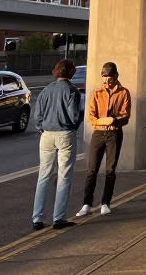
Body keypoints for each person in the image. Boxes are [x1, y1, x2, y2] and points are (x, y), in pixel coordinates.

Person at [32, 59, 83, 231]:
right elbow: (74, 116)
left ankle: (37, 218)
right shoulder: (72, 91)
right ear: (70, 73)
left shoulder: (46, 90)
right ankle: (58, 217)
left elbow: (37, 116)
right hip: (65, 134)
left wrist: (42, 128)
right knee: (64, 175)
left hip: (46, 135)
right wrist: (75, 126)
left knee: (44, 176)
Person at [76, 62, 130, 218]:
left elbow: (125, 116)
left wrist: (112, 120)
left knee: (110, 170)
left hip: (115, 134)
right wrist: (108, 120)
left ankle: (106, 203)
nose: (106, 81)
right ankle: (86, 203)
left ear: (115, 76)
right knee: (91, 169)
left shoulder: (124, 92)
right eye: (104, 77)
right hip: (98, 134)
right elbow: (91, 118)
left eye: (109, 77)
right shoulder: (97, 93)